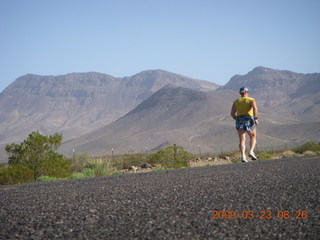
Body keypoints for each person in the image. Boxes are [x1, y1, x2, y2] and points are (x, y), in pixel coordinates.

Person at [231, 87, 259, 162]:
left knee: (242, 140)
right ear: (247, 92)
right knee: (253, 136)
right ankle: (251, 151)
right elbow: (255, 108)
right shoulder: (251, 100)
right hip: (248, 119)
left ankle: (243, 156)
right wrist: (255, 118)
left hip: (239, 119)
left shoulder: (236, 101)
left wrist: (237, 119)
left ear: (240, 93)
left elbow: (232, 113)